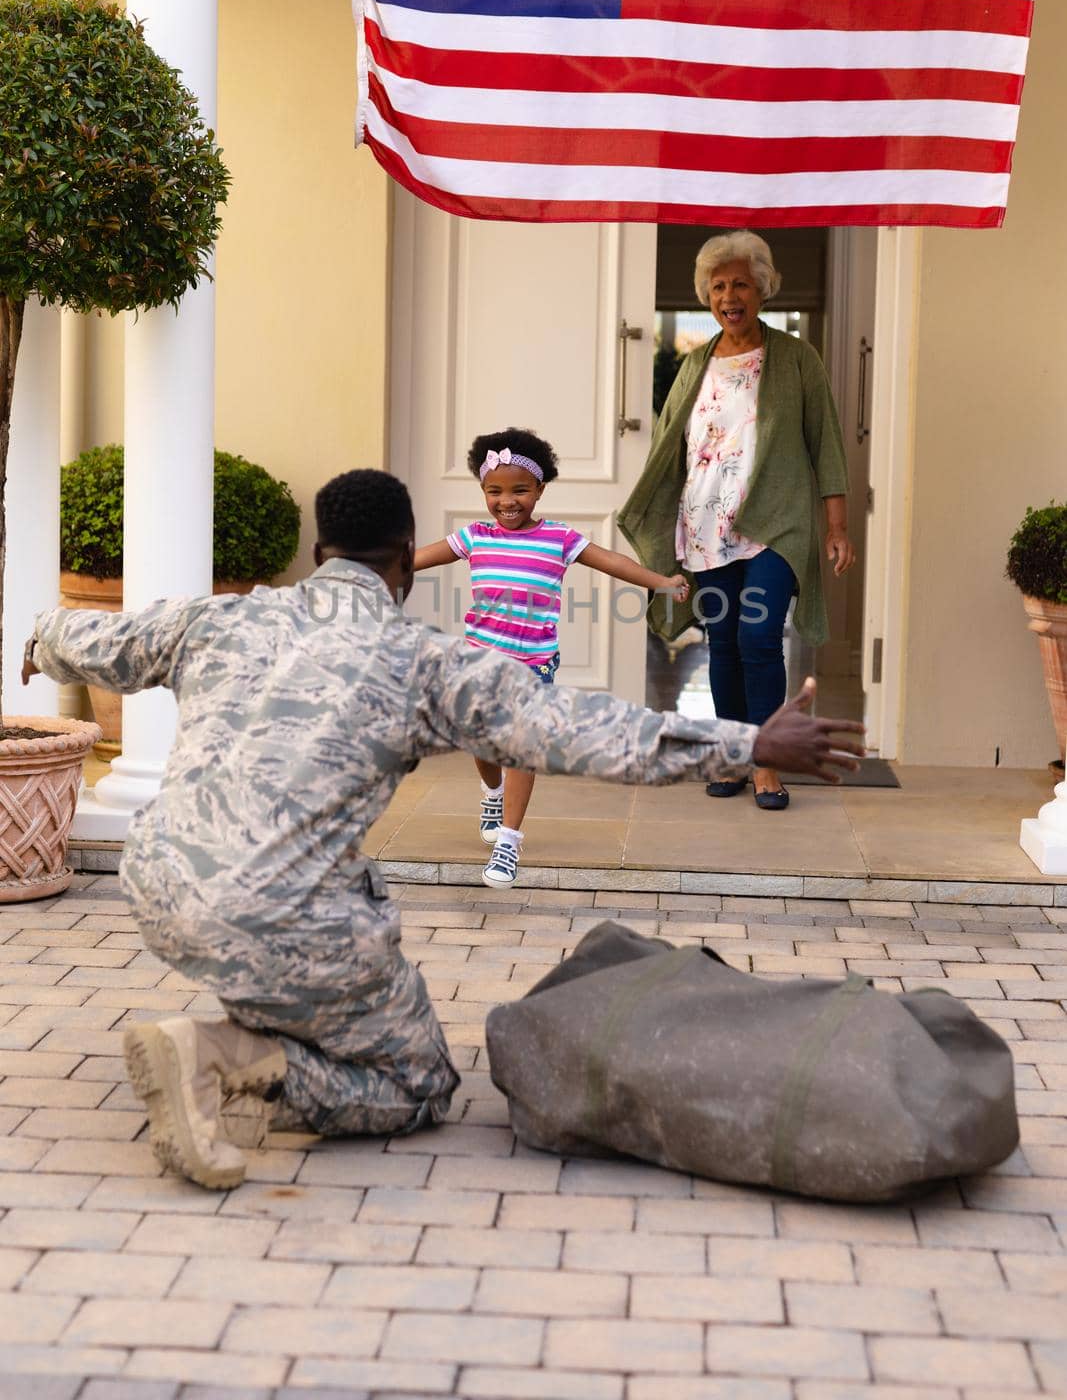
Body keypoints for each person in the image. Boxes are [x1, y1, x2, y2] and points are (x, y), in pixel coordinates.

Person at [24, 468, 862, 1192]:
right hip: (282, 914)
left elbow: (92, 636)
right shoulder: (424, 663)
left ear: (321, 551)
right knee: (415, 1083)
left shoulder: (225, 618)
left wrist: (39, 641)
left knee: (303, 948)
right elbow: (580, 730)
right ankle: (224, 1058)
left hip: (159, 884)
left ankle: (260, 1026)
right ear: (406, 556)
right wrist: (750, 741)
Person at [619, 231, 854, 813]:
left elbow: (825, 443)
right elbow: (672, 445)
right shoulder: (696, 362)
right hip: (704, 525)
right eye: (718, 286)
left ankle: (766, 761)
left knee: (758, 635)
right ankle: (730, 753)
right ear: (707, 295)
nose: (729, 295)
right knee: (721, 639)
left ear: (763, 289)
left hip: (774, 525)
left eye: (740, 283)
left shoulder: (797, 358)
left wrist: (836, 526)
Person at [414, 428, 689, 887]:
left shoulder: (559, 538)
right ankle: (492, 790)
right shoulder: (474, 536)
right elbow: (419, 558)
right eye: (494, 491)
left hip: (532, 663)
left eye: (520, 490)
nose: (508, 501)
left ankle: (508, 842)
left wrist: (660, 581)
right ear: (483, 492)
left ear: (540, 490)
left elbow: (612, 562)